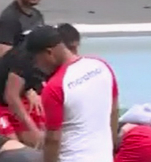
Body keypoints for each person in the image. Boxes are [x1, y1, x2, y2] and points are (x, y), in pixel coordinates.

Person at [26, 25, 119, 162]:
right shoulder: (100, 65)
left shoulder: (55, 87)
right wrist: (111, 147)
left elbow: (53, 139)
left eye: (36, 60)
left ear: (49, 53)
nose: (36, 66)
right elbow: (114, 110)